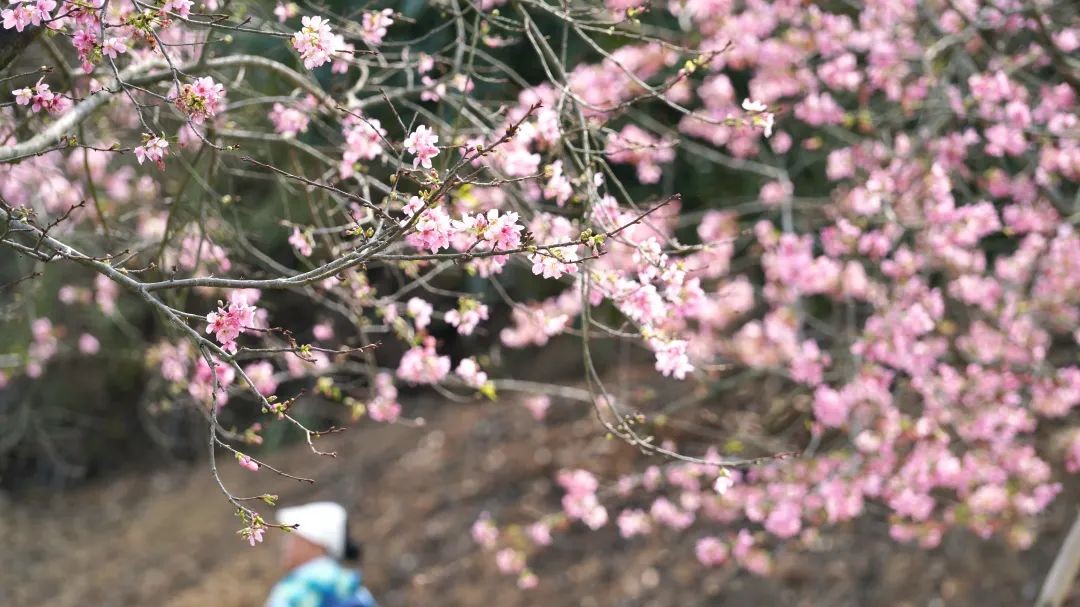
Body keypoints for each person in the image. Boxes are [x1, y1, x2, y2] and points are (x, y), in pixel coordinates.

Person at [265, 501, 378, 607]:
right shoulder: (354, 589)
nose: (285, 544)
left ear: (313, 542)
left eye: (292, 537)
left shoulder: (296, 590)